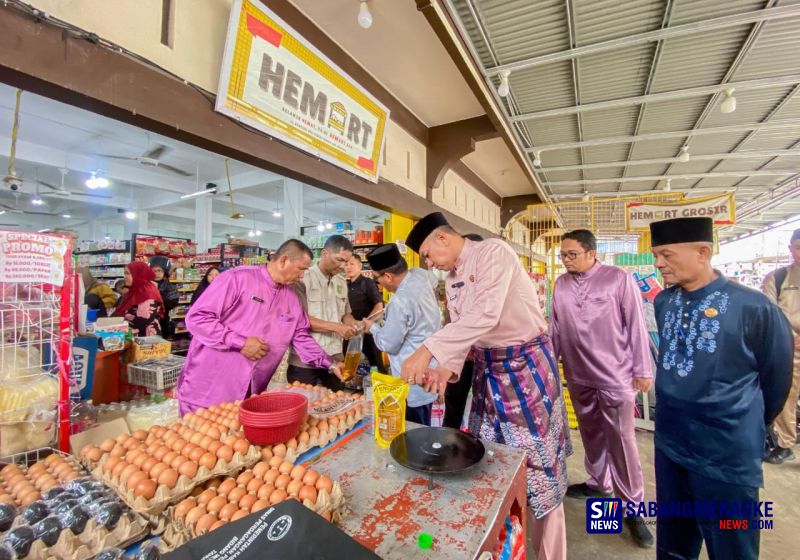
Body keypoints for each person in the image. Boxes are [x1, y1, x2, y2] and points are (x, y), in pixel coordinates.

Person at [399, 213, 571, 560]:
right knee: (490, 460)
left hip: (526, 372)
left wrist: (427, 349)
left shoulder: (494, 253)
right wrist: (444, 369)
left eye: (429, 255)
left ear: (444, 238)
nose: (430, 265)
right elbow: (466, 330)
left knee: (538, 469)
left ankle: (551, 553)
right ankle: (508, 543)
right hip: (488, 373)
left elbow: (487, 314)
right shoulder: (452, 280)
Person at [649, 217, 793, 560]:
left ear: (703, 252)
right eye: (655, 255)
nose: (658, 264)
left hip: (725, 455)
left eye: (666, 255)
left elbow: (777, 379)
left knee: (732, 545)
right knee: (674, 540)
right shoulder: (664, 302)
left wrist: (744, 422)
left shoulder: (753, 307)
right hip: (670, 444)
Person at [549, 229, 654, 548]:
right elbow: (554, 327)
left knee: (621, 441)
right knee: (591, 433)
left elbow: (636, 323)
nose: (566, 260)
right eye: (563, 255)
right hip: (578, 375)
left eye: (572, 254)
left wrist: (642, 368)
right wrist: (550, 367)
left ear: (592, 253)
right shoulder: (561, 284)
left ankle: (633, 507)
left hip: (616, 376)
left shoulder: (618, 279)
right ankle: (599, 483)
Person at [176, 240, 343, 415]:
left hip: (251, 391)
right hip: (208, 389)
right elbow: (197, 318)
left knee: (237, 438)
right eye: (301, 269)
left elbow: (300, 336)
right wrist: (240, 343)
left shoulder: (291, 298)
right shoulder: (237, 279)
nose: (302, 276)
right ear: (283, 260)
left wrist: (330, 364)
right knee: (196, 439)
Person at [361, 243, 440, 425]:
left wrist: (372, 327)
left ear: (388, 276)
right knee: (427, 424)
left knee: (415, 432)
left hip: (412, 381)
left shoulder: (400, 301)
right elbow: (434, 282)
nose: (377, 283)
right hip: (432, 367)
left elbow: (388, 344)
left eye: (377, 279)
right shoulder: (420, 275)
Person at [286, 235, 358, 390]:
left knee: (334, 404)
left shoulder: (341, 282)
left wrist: (353, 324)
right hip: (305, 361)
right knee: (305, 406)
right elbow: (301, 320)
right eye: (339, 260)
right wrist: (338, 328)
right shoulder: (302, 278)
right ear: (325, 253)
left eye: (347, 262)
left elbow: (346, 314)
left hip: (336, 356)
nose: (343, 266)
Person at [761, 229, 800, 465]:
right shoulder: (777, 279)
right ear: (791, 249)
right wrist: (789, 336)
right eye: (798, 248)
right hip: (789, 349)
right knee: (785, 396)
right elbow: (769, 315)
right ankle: (785, 444)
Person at [443, 233, 483, 431]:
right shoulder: (452, 279)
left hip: (487, 355)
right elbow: (452, 316)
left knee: (483, 404)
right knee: (453, 399)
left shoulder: (490, 275)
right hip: (462, 355)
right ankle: (448, 440)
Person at [344, 254, 385, 372]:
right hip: (351, 332)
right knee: (349, 364)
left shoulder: (368, 283)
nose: (348, 267)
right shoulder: (345, 285)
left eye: (352, 264)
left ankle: (379, 388)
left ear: (360, 266)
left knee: (375, 364)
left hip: (368, 332)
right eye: (346, 264)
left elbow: (379, 305)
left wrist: (366, 324)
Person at [112, 261, 164, 337]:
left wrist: (120, 325)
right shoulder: (135, 290)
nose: (125, 277)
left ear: (138, 274)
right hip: (132, 336)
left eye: (128, 273)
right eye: (124, 273)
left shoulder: (148, 292)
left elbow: (143, 320)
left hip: (145, 340)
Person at [149, 255, 179, 338]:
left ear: (165, 272)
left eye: (159, 271)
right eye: (153, 271)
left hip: (162, 323)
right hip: (146, 323)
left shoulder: (169, 287)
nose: (156, 274)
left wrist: (157, 291)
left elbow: (171, 303)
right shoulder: (146, 284)